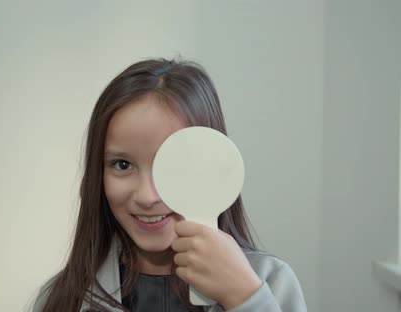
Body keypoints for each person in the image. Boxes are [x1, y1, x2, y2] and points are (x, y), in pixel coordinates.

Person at [31, 58, 307, 312]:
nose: (147, 196)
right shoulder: (64, 297)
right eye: (122, 165)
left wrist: (246, 298)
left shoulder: (271, 282)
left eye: (172, 167)